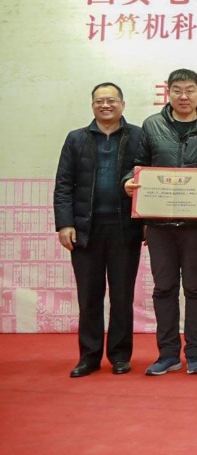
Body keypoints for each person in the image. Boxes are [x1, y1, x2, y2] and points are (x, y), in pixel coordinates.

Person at [125, 69, 197, 376]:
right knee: (164, 289)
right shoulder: (152, 125)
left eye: (189, 90)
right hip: (159, 224)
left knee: (196, 288)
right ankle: (168, 354)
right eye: (177, 90)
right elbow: (138, 165)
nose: (183, 96)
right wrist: (129, 182)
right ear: (168, 92)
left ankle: (196, 353)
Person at [55, 83, 146, 377]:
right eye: (99, 101)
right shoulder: (76, 139)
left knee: (122, 296)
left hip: (125, 228)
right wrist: (65, 223)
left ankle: (120, 355)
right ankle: (89, 357)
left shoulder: (138, 137)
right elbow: (63, 184)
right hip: (86, 229)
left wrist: (147, 222)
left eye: (111, 100)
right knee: (89, 296)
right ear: (92, 105)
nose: (105, 105)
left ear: (123, 104)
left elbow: (148, 177)